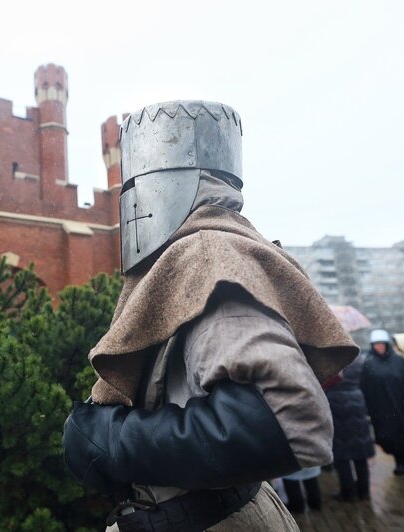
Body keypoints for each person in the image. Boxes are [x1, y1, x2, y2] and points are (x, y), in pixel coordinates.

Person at [62, 100, 358, 531]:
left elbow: (285, 418)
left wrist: (114, 439)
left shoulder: (209, 253)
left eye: (135, 186)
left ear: (169, 180)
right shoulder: (199, 252)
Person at [360, 329, 404, 475]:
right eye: (375, 345)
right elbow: (365, 388)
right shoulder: (369, 365)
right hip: (384, 411)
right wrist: (369, 409)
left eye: (381, 344)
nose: (378, 347)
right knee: (392, 438)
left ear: (387, 344)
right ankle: (400, 462)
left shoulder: (400, 361)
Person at [324, 353, 375, 500]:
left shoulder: (329, 360)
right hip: (356, 400)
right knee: (360, 454)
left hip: (335, 402)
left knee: (342, 455)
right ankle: (363, 491)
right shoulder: (357, 359)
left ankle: (348, 492)